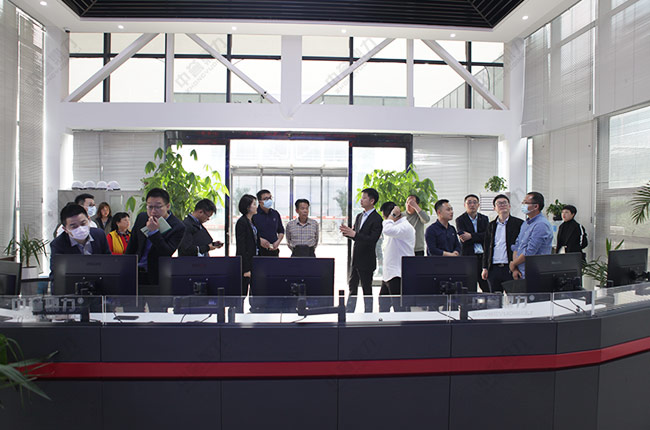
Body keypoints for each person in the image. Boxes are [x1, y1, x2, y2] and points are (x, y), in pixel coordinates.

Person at [125, 188, 186, 285]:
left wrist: (154, 232)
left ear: (167, 206)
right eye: (150, 207)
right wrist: (125, 269)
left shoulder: (177, 226)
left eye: (158, 207)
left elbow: (166, 252)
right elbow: (132, 246)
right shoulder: (142, 218)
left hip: (156, 275)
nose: (153, 211)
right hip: (135, 272)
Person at [340, 187, 383, 313]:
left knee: (366, 289)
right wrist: (347, 233)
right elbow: (356, 235)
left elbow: (372, 239)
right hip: (356, 258)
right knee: (352, 287)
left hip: (367, 259)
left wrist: (354, 234)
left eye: (364, 198)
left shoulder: (377, 218)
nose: (361, 200)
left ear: (372, 201)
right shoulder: (359, 216)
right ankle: (349, 312)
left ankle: (368, 314)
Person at [50, 204, 111, 275]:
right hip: (73, 280)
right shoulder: (58, 244)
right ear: (65, 229)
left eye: (83, 223)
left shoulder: (99, 235)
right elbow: (56, 274)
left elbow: (109, 262)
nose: (80, 228)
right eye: (74, 226)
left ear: (89, 220)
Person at [481, 195, 524, 292]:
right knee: (495, 298)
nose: (502, 205)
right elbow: (487, 247)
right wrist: (485, 267)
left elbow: (521, 247)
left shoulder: (519, 223)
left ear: (509, 206)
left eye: (504, 203)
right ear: (494, 208)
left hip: (510, 267)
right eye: (499, 203)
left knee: (514, 297)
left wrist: (517, 267)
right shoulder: (491, 225)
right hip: (493, 269)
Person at [378, 202, 415, 312]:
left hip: (398, 274)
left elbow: (387, 230)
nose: (386, 220)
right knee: (383, 306)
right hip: (389, 274)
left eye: (385, 217)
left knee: (399, 308)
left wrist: (392, 215)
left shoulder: (404, 227)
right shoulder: (396, 226)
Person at [510, 191, 554, 279]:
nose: (523, 205)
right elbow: (517, 246)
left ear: (536, 206)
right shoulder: (525, 223)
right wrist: (515, 268)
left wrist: (514, 263)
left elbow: (530, 251)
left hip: (535, 273)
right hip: (521, 272)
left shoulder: (541, 224)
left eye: (526, 203)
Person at [455, 194, 489, 292]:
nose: (472, 205)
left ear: (478, 205)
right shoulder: (460, 220)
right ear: (465, 205)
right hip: (469, 256)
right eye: (469, 202)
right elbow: (464, 238)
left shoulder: (484, 219)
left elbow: (487, 236)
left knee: (486, 285)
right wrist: (478, 236)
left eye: (474, 202)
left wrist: (471, 236)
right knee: (470, 286)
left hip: (483, 257)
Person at [236, 194, 260, 296]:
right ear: (247, 207)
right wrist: (245, 268)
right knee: (243, 291)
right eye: (254, 204)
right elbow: (241, 246)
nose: (256, 206)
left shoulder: (252, 221)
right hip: (246, 261)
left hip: (254, 259)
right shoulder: (242, 222)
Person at [252, 189, 284, 256]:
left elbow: (281, 230)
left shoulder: (275, 213)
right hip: (258, 251)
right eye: (266, 199)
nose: (269, 200)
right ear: (260, 201)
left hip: (273, 251)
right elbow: (250, 232)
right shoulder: (254, 214)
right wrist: (259, 240)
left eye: (270, 198)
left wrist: (278, 241)